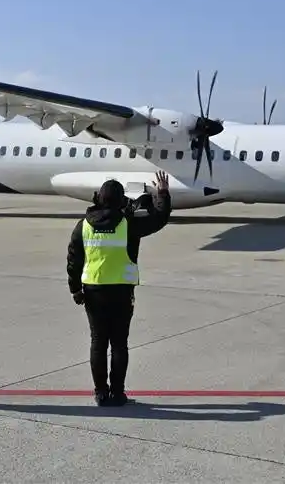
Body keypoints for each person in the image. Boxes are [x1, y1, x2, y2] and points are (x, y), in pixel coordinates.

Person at [66, 171, 172, 406]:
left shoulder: (83, 226)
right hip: (122, 292)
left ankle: (101, 393)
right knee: (119, 344)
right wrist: (162, 194)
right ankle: (117, 393)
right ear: (121, 200)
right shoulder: (129, 224)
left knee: (98, 342)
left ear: (98, 198)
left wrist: (75, 289)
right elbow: (159, 219)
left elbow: (73, 260)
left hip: (93, 290)